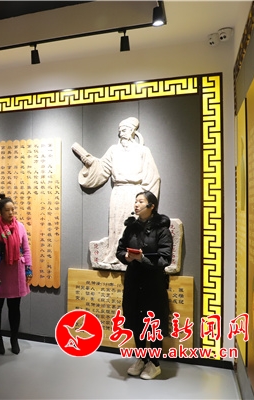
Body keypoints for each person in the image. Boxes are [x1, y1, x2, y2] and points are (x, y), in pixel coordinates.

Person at [73, 117, 160, 266]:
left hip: (135, 192)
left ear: (132, 131)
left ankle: (134, 256)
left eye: (124, 130)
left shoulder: (143, 151)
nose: (121, 133)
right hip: (118, 192)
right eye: (120, 130)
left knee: (134, 225)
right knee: (116, 225)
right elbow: (102, 168)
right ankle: (115, 255)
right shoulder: (114, 150)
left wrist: (146, 201)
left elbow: (153, 176)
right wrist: (90, 161)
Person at [116, 190, 172, 380]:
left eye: (141, 201)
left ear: (151, 206)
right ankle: (141, 358)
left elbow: (165, 259)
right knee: (135, 321)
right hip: (133, 281)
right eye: (136, 201)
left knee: (153, 323)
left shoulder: (162, 229)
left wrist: (142, 258)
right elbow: (120, 249)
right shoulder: (131, 227)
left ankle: (154, 364)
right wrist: (125, 256)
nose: (136, 204)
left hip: (153, 283)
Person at [0, 194, 32, 355]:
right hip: (0, 271)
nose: (11, 212)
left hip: (16, 271)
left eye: (13, 209)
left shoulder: (20, 226)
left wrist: (29, 268)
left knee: (15, 308)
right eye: (7, 210)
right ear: (0, 211)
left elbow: (26, 249)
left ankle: (14, 338)